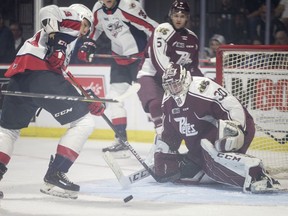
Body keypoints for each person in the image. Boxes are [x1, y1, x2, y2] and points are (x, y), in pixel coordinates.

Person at [0, 4, 105, 199]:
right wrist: (57, 43)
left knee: (8, 130)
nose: (83, 31)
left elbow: (62, 76)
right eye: (85, 26)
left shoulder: (61, 40)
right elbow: (47, 10)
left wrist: (86, 98)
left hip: (20, 78)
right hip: (41, 77)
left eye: (86, 29)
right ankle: (55, 175)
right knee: (84, 121)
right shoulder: (71, 23)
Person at [152, 64, 283, 193]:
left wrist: (236, 129)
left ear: (185, 79)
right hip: (202, 146)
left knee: (213, 167)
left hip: (232, 131)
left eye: (176, 84)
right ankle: (222, 164)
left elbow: (233, 107)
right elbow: (169, 133)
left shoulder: (202, 88)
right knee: (187, 175)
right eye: (169, 85)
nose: (173, 88)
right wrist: (164, 154)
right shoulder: (168, 101)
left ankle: (256, 173)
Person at [87, 0, 158, 158]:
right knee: (114, 99)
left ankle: (162, 140)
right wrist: (89, 43)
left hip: (139, 59)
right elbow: (95, 29)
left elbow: (152, 27)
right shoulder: (98, 9)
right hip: (119, 60)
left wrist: (158, 49)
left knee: (149, 101)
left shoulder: (129, 6)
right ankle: (121, 141)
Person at [137, 0, 203, 158]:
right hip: (151, 75)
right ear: (170, 16)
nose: (178, 19)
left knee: (181, 115)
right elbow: (159, 60)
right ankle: (162, 141)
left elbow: (192, 67)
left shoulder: (193, 38)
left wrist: (203, 84)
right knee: (155, 105)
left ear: (187, 18)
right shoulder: (163, 30)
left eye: (182, 16)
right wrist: (172, 79)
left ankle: (173, 149)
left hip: (175, 81)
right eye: (175, 15)